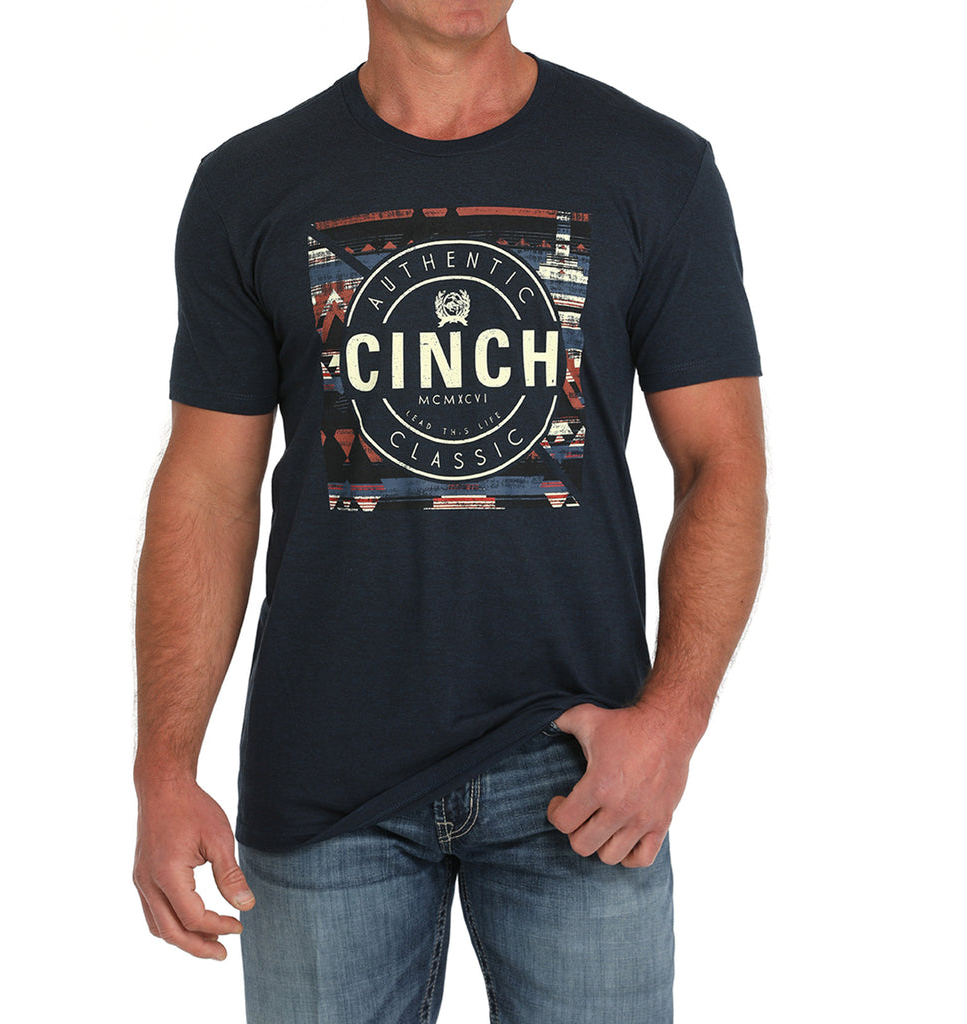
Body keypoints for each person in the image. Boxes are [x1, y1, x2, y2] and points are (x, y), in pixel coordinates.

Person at [132, 2, 767, 1021]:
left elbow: (722, 462)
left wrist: (674, 720)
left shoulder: (654, 167)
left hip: (579, 772)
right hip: (325, 774)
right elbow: (206, 487)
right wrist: (164, 768)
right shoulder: (250, 184)